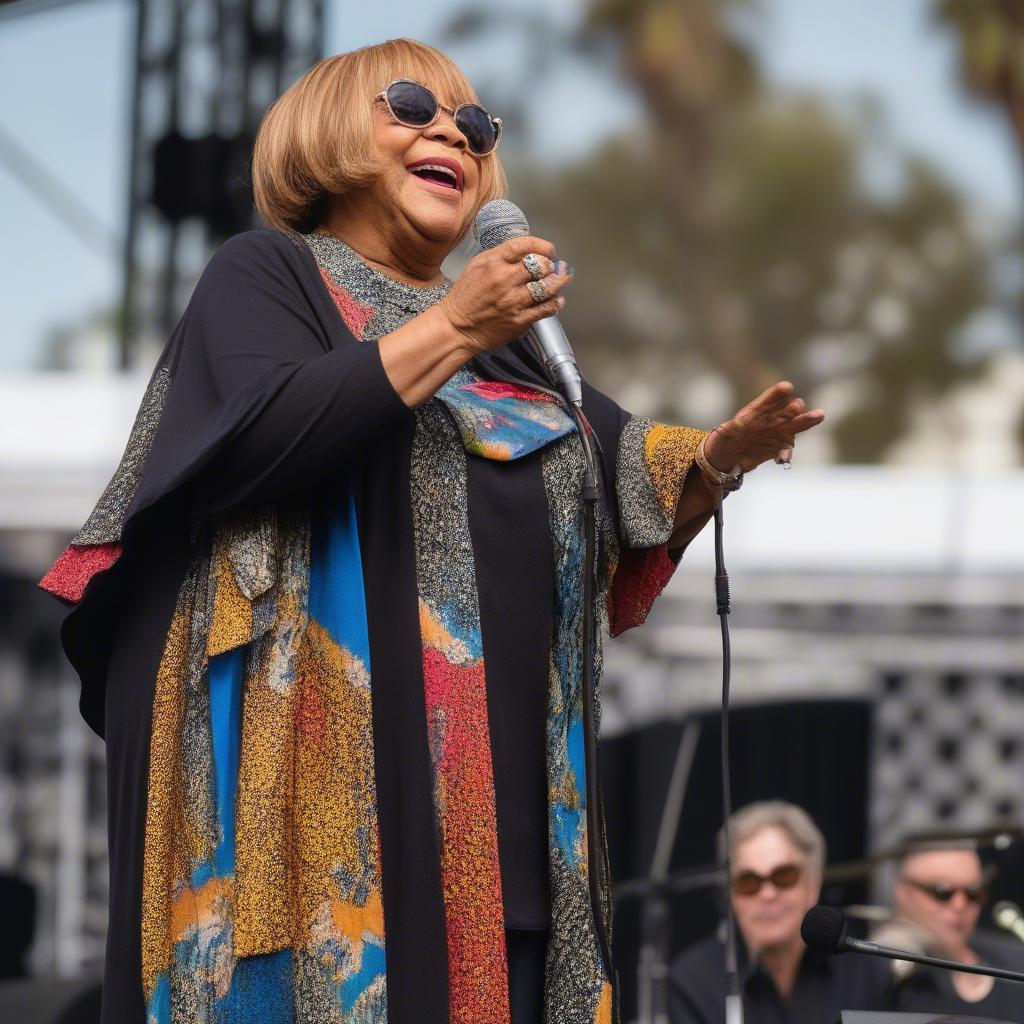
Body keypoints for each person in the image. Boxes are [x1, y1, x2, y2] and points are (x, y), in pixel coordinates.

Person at [39, 38, 824, 1024]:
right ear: (325, 129)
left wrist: (716, 460)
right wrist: (455, 325)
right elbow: (259, 431)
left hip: (514, 843)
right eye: (412, 106)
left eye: (475, 124)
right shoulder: (272, 275)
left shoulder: (519, 351)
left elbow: (629, 478)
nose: (452, 129)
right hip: (336, 836)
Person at [669, 802, 892, 1024]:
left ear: (812, 884)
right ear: (730, 895)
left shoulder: (868, 973)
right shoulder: (693, 981)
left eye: (784, 876)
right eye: (748, 882)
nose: (767, 894)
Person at [890, 844, 1024, 1020]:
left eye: (973, 893)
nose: (959, 905)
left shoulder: (1014, 965)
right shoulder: (873, 966)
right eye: (942, 892)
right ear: (904, 893)